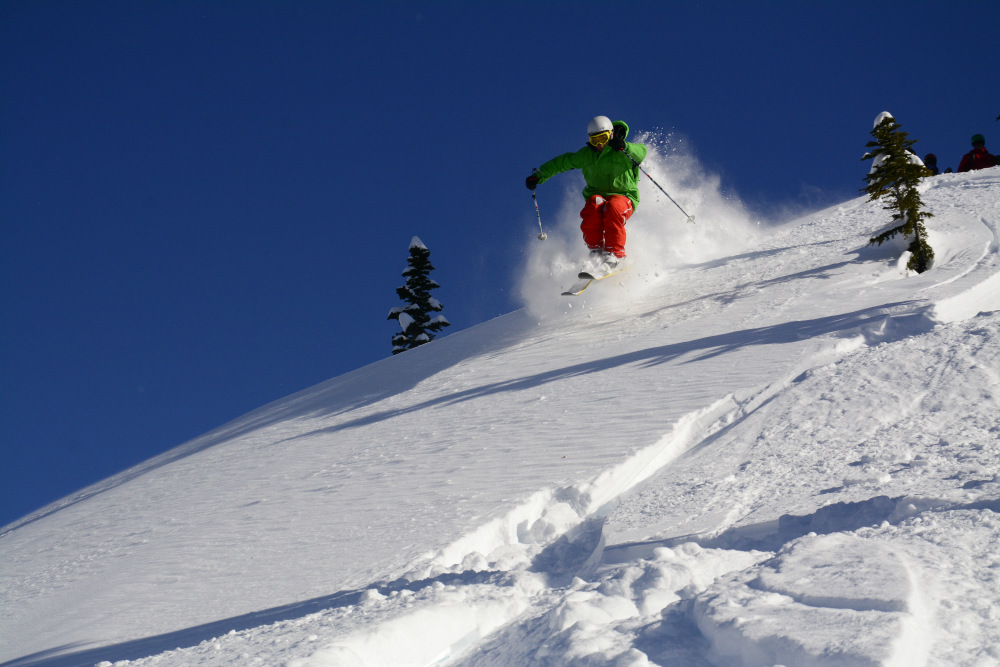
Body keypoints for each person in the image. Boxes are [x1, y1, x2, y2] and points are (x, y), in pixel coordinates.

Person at [526, 116, 648, 272]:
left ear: (611, 135)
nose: (600, 144)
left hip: (624, 196)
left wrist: (625, 146)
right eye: (594, 140)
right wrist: (539, 175)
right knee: (592, 208)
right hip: (599, 196)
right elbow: (562, 162)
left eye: (602, 138)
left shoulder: (621, 150)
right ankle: (596, 251)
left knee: (614, 208)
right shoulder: (586, 155)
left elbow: (642, 152)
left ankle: (615, 254)